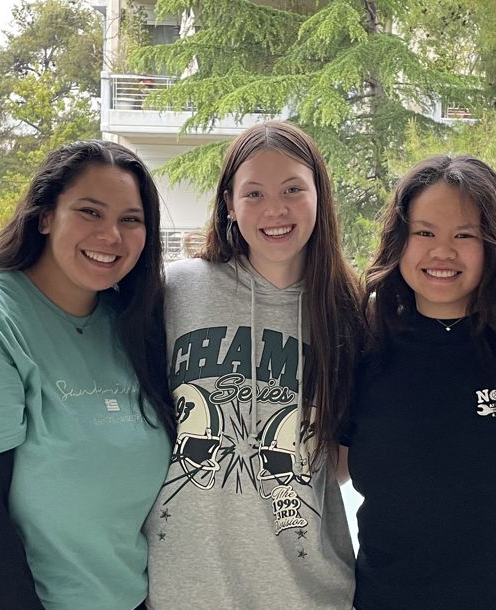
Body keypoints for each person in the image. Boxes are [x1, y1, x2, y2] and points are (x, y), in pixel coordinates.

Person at [0, 140, 176, 610]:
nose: (111, 236)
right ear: (44, 216)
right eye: (90, 212)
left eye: (130, 219)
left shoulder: (129, 324)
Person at [342, 155, 496, 608]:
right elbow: (322, 470)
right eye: (424, 233)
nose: (442, 251)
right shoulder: (363, 348)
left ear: (494, 243)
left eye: (464, 235)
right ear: (400, 241)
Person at [143, 121, 363, 608]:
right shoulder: (174, 291)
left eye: (292, 189)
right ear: (229, 204)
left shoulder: (349, 308)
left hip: (310, 592)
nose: (275, 209)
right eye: (254, 193)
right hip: (184, 589)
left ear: (319, 196)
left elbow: (342, 460)